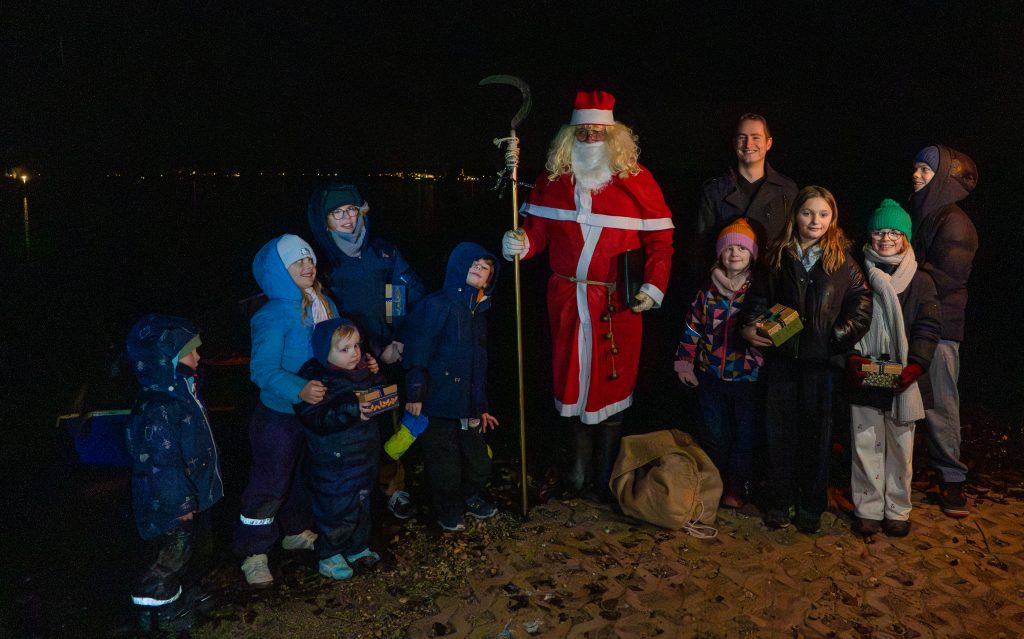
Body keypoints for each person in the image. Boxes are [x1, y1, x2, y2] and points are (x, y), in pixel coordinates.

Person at [502, 90, 674, 502]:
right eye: (584, 131)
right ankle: (576, 473)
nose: (592, 137)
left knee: (612, 385)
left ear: (614, 136)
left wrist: (653, 287)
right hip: (565, 299)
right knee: (570, 382)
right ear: (570, 136)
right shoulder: (554, 179)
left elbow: (662, 242)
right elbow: (539, 232)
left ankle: (604, 475)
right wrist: (522, 243)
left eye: (599, 131)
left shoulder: (638, 180)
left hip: (617, 303)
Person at [741, 186, 872, 533]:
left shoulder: (843, 261)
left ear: (833, 218)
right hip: (782, 361)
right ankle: (779, 502)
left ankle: (812, 506)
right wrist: (750, 327)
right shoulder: (777, 256)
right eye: (807, 213)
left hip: (822, 367)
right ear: (795, 215)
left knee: (817, 437)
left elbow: (861, 306)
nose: (815, 221)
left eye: (823, 214)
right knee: (778, 434)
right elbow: (758, 298)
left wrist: (833, 339)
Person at [307, 182, 427, 520]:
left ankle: (393, 487)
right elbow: (330, 317)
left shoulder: (383, 254)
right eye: (336, 213)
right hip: (344, 365)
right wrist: (371, 348)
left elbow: (401, 296)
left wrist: (398, 339)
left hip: (388, 359)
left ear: (362, 212)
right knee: (352, 425)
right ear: (325, 221)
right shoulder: (322, 265)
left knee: (389, 420)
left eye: (351, 210)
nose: (346, 218)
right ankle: (353, 494)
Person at [233, 234, 337, 586]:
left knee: (301, 477)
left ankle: (293, 531)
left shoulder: (325, 303)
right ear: (278, 271)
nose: (308, 266)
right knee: (270, 483)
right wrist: (299, 389)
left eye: (310, 260)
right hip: (278, 417)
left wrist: (359, 363)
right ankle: (254, 552)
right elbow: (261, 370)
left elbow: (338, 348)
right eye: (297, 262)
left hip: (315, 413)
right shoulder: (271, 315)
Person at [846, 199, 941, 538]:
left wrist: (915, 365)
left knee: (901, 449)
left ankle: (898, 509)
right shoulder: (856, 271)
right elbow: (848, 319)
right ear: (869, 236)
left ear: (906, 237)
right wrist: (852, 357)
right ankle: (868, 509)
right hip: (866, 374)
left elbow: (928, 327)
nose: (886, 238)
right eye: (879, 231)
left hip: (905, 380)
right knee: (865, 444)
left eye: (894, 232)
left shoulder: (921, 280)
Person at [125, 314, 222, 632]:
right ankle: (157, 610)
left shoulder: (184, 392)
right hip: (169, 504)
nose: (198, 356)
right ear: (166, 359)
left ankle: (184, 593)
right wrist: (179, 503)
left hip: (193, 494)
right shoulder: (159, 407)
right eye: (191, 351)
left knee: (195, 551)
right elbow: (161, 463)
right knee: (169, 558)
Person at [402, 242, 501, 532]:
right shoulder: (436, 304)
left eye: (485, 268)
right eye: (473, 264)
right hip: (438, 400)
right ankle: (448, 509)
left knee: (478, 461)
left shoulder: (479, 312)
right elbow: (418, 352)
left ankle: (471, 496)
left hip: (467, 403)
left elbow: (479, 365)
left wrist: (480, 406)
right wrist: (416, 393)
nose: (478, 269)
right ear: (458, 267)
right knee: (443, 462)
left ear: (489, 281)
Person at [674, 218, 764, 508]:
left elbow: (777, 326)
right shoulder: (707, 291)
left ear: (752, 254)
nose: (734, 254)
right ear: (718, 253)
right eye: (728, 249)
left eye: (742, 248)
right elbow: (692, 328)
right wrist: (685, 362)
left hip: (747, 377)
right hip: (710, 374)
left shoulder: (757, 290)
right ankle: (712, 484)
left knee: (743, 437)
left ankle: (737, 488)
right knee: (713, 434)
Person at [910, 145, 979, 518]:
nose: (917, 175)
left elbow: (947, 277)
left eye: (925, 170)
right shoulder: (927, 214)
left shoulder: (954, 221)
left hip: (941, 326)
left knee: (939, 404)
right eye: (916, 169)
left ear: (943, 177)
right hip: (919, 319)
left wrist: (901, 273)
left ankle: (953, 483)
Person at [294, 318, 385, 579]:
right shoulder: (316, 377)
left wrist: (378, 377)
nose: (354, 353)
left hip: (365, 454)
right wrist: (352, 408)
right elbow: (315, 417)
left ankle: (357, 547)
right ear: (325, 351)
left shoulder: (363, 370)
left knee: (361, 501)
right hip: (335, 460)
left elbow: (379, 391)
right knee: (336, 507)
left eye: (356, 346)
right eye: (344, 349)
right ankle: (329, 554)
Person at [695, 113, 798, 268]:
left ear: (768, 143)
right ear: (735, 142)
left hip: (773, 285)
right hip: (726, 285)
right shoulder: (714, 190)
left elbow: (795, 244)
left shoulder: (787, 190)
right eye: (742, 137)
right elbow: (700, 247)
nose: (748, 144)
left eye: (756, 137)